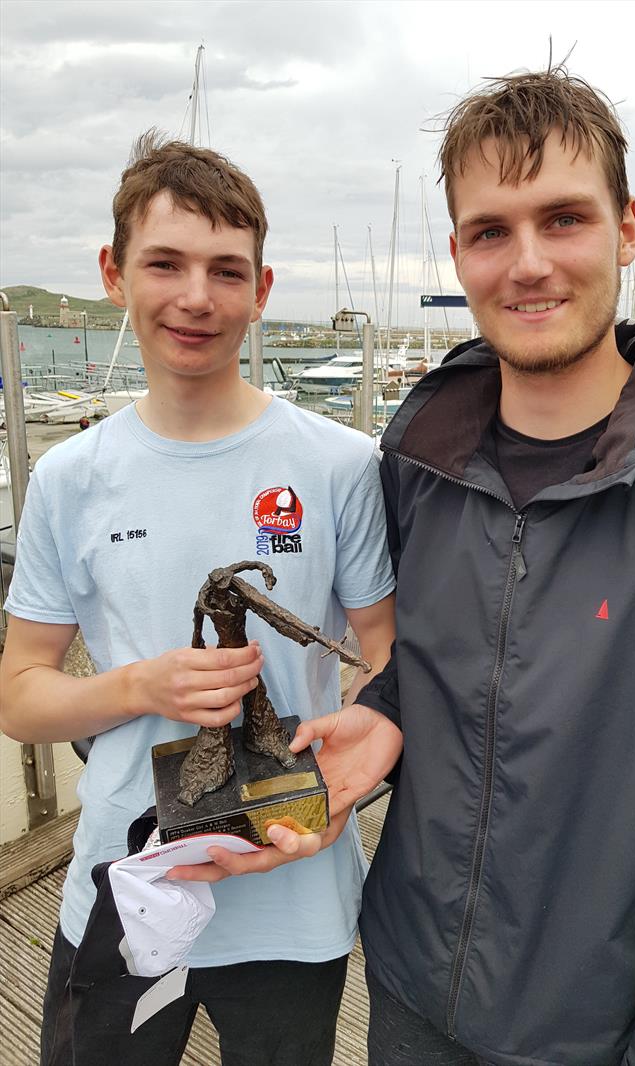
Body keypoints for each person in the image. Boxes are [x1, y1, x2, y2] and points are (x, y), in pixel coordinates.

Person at [290, 68, 635, 1065]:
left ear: (624, 227)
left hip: (610, 1023)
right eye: (489, 231)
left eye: (561, 218)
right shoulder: (417, 455)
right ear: (456, 253)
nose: (525, 263)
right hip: (406, 985)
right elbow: (443, 657)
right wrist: (385, 703)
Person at [0, 132, 395, 1066]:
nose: (195, 296)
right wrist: (143, 687)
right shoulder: (69, 479)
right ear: (114, 273)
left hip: (293, 888)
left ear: (261, 291)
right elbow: (21, 691)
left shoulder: (340, 466)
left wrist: (347, 785)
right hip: (125, 879)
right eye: (164, 263)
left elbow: (385, 656)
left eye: (227, 270)